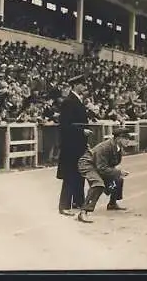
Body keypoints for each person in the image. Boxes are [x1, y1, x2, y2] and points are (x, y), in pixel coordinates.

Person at [76, 127, 132, 223]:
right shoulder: (106, 147)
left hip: (97, 165)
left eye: (128, 138)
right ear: (118, 139)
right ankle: (84, 211)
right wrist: (118, 172)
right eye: (125, 138)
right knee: (98, 185)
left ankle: (112, 204)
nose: (128, 141)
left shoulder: (117, 147)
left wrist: (115, 175)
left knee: (118, 179)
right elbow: (101, 168)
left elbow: (109, 165)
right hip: (87, 164)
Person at [56, 74, 92, 216]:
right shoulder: (69, 102)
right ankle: (64, 205)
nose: (84, 87)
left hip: (78, 144)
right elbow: (65, 125)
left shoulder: (77, 101)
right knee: (70, 175)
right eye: (82, 84)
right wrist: (82, 131)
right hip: (71, 145)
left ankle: (77, 201)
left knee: (79, 173)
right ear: (76, 85)